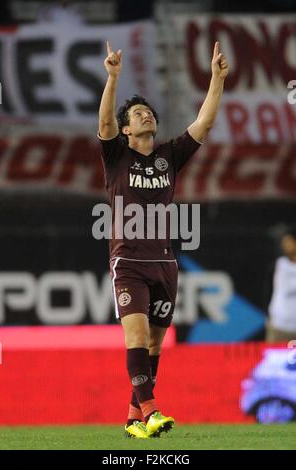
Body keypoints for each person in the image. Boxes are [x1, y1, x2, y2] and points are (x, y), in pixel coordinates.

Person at [98, 41, 228, 438]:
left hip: (165, 262)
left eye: (149, 112)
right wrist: (114, 78)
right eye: (138, 114)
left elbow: (203, 123)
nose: (147, 115)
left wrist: (217, 79)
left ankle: (132, 418)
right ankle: (152, 411)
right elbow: (104, 123)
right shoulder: (117, 156)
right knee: (136, 337)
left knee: (154, 345)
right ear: (126, 129)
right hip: (129, 261)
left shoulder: (169, 156)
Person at [266, 228, 296, 343]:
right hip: (279, 326)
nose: (286, 245)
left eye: (289, 241)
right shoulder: (278, 265)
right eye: (284, 242)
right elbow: (268, 290)